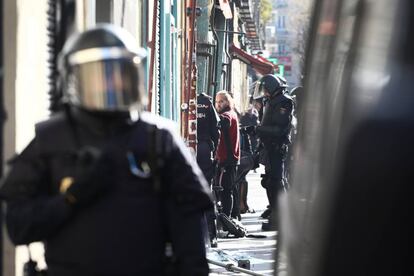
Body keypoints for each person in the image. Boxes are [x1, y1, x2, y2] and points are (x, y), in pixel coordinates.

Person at [0, 24, 213, 276]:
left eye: (120, 73)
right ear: (74, 79)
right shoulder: (51, 139)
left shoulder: (158, 139)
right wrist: (70, 199)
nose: (112, 83)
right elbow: (19, 227)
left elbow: (191, 235)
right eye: (100, 75)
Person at [253, 74, 294, 231]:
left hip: (277, 147)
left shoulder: (284, 101)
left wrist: (258, 129)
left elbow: (279, 129)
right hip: (269, 147)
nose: (264, 93)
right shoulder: (271, 101)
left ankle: (280, 217)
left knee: (276, 183)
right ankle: (275, 214)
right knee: (270, 182)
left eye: (265, 89)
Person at [196, 92, 220, 246]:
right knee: (206, 189)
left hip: (187, 147)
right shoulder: (207, 103)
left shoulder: (182, 96)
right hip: (204, 148)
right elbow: (215, 130)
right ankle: (210, 234)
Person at [214, 91, 240, 219]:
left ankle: (227, 219)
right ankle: (234, 216)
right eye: (217, 102)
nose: (218, 104)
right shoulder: (229, 114)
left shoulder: (227, 115)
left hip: (228, 159)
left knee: (226, 190)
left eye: (221, 101)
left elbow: (225, 122)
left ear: (228, 102)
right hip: (225, 158)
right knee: (229, 189)